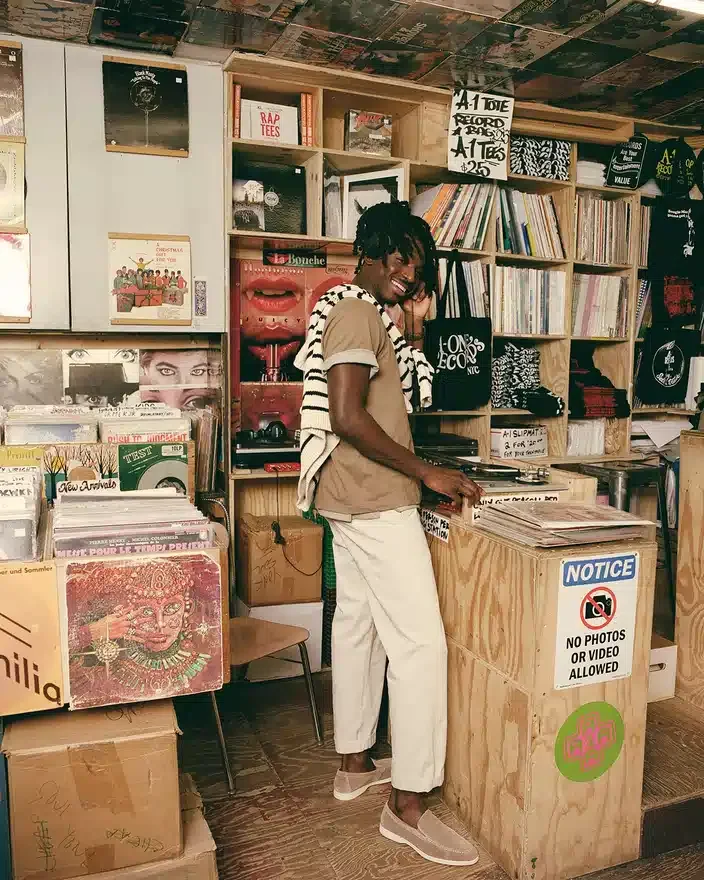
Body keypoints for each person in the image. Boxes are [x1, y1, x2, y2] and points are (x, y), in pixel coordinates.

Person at [295, 201, 482, 866]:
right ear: (371, 253)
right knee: (421, 645)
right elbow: (346, 415)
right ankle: (408, 806)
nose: (409, 274)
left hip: (347, 497)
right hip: (373, 499)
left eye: (419, 267)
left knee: (358, 625)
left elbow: (398, 397)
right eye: (401, 259)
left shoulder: (370, 315)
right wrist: (426, 471)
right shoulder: (355, 311)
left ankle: (354, 764)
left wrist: (416, 327)